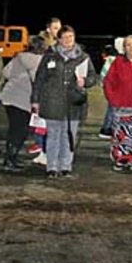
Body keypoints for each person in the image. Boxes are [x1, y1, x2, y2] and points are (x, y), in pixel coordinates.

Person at [31, 25, 97, 178]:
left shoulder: (83, 57)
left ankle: (65, 166)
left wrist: (85, 81)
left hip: (73, 103)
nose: (68, 40)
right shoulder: (50, 56)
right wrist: (35, 99)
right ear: (59, 39)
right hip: (52, 102)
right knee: (53, 135)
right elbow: (39, 79)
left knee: (69, 136)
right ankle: (52, 167)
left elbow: (93, 77)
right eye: (65, 37)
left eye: (71, 37)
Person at [103, 34, 132, 172]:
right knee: (122, 136)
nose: (131, 47)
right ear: (124, 48)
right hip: (122, 108)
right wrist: (113, 99)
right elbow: (108, 82)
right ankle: (120, 160)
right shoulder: (118, 63)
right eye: (128, 45)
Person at [0, 35, 45, 171]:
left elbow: (5, 73)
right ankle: (10, 158)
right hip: (23, 99)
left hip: (9, 96)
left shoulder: (19, 57)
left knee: (14, 129)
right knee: (21, 130)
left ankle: (11, 156)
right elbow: (40, 80)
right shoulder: (40, 60)